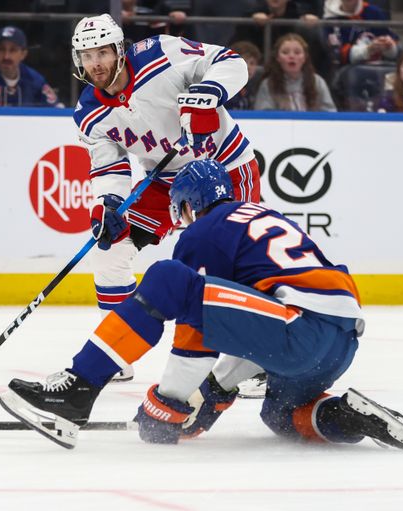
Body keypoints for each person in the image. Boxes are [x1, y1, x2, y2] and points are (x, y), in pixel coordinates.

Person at [0, 159, 403, 452]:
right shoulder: (264, 217)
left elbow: (194, 321)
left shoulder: (205, 230)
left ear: (187, 204)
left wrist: (171, 402)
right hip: (339, 342)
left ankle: (77, 390)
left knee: (167, 279)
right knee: (282, 414)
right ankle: (346, 416)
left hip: (299, 329)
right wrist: (213, 395)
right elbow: (246, 326)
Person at [67, 14, 263, 382]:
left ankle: (257, 362)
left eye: (103, 52)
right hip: (168, 180)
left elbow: (231, 61)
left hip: (225, 165)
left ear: (119, 51)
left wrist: (210, 92)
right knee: (111, 248)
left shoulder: (161, 54)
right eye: (87, 55)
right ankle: (116, 354)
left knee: (240, 259)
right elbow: (109, 166)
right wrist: (108, 204)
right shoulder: (89, 113)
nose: (96, 63)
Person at [0, 26, 63, 108]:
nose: (6, 56)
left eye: (13, 50)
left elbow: (57, 110)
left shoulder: (34, 79)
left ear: (23, 54)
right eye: (1, 49)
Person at [230, 0, 329, 77]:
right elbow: (240, 45)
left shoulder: (300, 14)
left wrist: (313, 22)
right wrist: (252, 21)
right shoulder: (252, 13)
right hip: (263, 65)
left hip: (295, 66)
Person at [254, 33, 337, 111]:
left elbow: (330, 113)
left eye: (297, 52)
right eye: (285, 52)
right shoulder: (268, 84)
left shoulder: (317, 81)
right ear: (278, 58)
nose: (292, 56)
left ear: (305, 57)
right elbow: (263, 115)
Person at [323, 0, 400, 67]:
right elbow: (337, 56)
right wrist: (367, 50)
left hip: (379, 67)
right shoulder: (331, 19)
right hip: (347, 72)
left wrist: (387, 46)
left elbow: (394, 49)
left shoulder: (374, 12)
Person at [225, 41, 262, 110]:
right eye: (244, 62)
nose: (248, 67)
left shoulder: (250, 89)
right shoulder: (221, 89)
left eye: (252, 63)